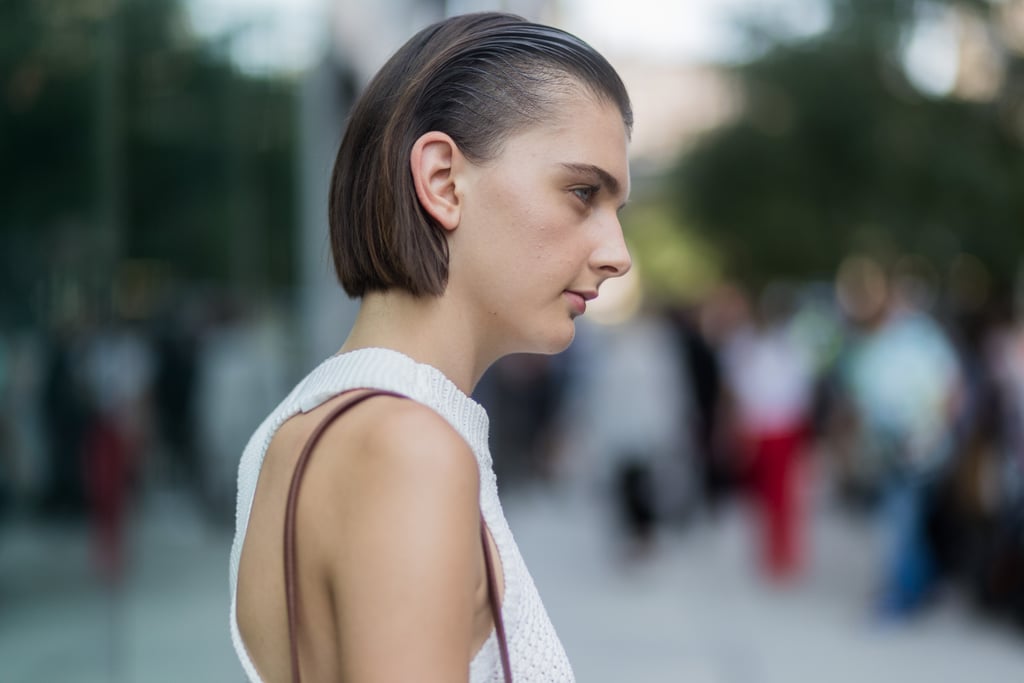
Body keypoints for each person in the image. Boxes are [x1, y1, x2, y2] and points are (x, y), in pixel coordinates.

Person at [229, 12, 633, 682]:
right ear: (443, 180)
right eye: (581, 192)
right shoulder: (409, 449)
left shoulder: (302, 432)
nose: (617, 254)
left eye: (616, 211)